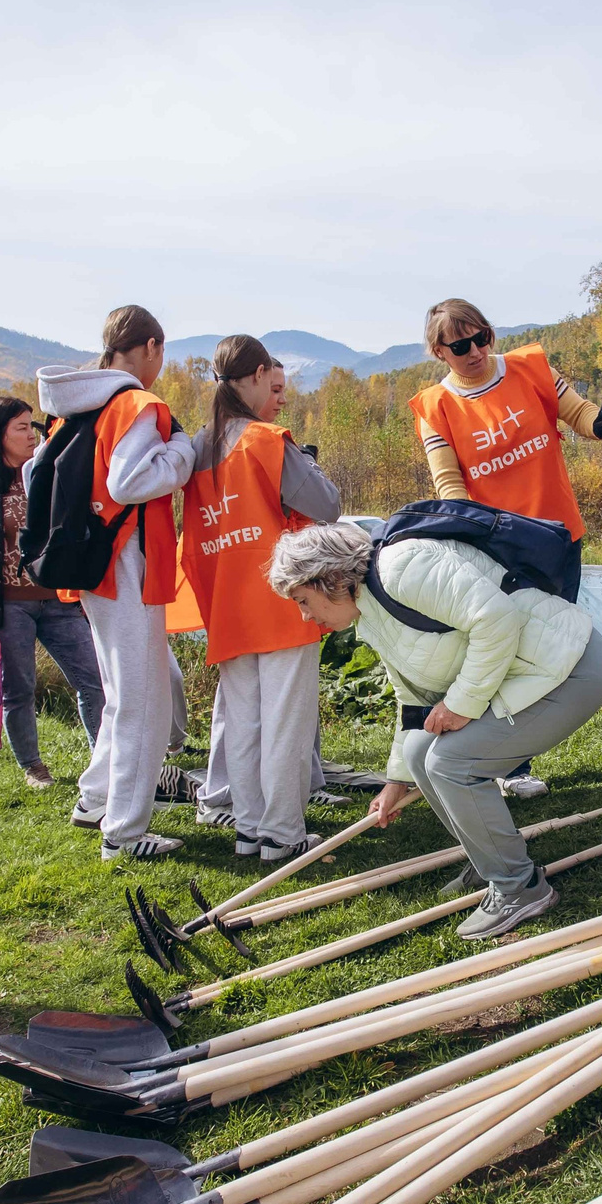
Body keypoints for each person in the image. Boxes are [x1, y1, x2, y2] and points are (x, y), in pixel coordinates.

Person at [269, 521, 602, 940]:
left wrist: (459, 705)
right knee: (418, 752)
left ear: (330, 579)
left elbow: (496, 619)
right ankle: (485, 858)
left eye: (303, 600)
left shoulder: (402, 566)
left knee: (452, 762)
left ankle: (518, 887)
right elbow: (411, 701)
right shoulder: (369, 612)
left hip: (568, 666)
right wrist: (396, 782)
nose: (305, 615)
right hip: (527, 676)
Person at [408, 298, 602, 799]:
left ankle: (516, 755)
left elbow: (578, 414)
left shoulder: (530, 366)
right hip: (501, 550)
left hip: (558, 536)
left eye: (482, 337)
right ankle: (508, 764)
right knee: (508, 655)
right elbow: (450, 486)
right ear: (439, 351)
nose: (476, 351)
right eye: (460, 345)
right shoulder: (435, 406)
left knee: (553, 650)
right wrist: (467, 540)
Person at [27, 306, 198, 862]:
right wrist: (182, 452)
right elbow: (129, 482)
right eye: (162, 353)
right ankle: (124, 831)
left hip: (90, 560)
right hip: (126, 559)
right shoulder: (136, 405)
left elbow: (36, 472)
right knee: (142, 698)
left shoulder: (75, 405)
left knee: (123, 689)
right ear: (150, 346)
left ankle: (95, 797)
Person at [185, 335, 343, 862]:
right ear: (256, 375)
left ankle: (250, 829)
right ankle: (282, 833)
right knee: (286, 721)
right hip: (281, 601)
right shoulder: (265, 441)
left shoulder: (196, 451)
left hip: (226, 608)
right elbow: (327, 505)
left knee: (244, 725)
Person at [0, 396, 106, 788]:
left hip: (59, 600)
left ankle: (105, 758)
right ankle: (33, 767)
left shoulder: (44, 473)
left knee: (94, 679)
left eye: (31, 426)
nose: (32, 435)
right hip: (6, 605)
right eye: (21, 427)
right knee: (19, 689)